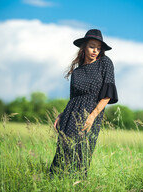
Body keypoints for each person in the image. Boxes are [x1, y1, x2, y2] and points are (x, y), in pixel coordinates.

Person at [49, 29, 118, 178]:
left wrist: (92, 116)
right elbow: (73, 99)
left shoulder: (105, 63)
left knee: (82, 154)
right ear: (84, 47)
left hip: (91, 114)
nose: (95, 51)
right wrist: (61, 115)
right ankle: (56, 183)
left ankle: (79, 185)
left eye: (99, 48)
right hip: (70, 116)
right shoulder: (77, 72)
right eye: (92, 46)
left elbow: (107, 95)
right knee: (64, 152)